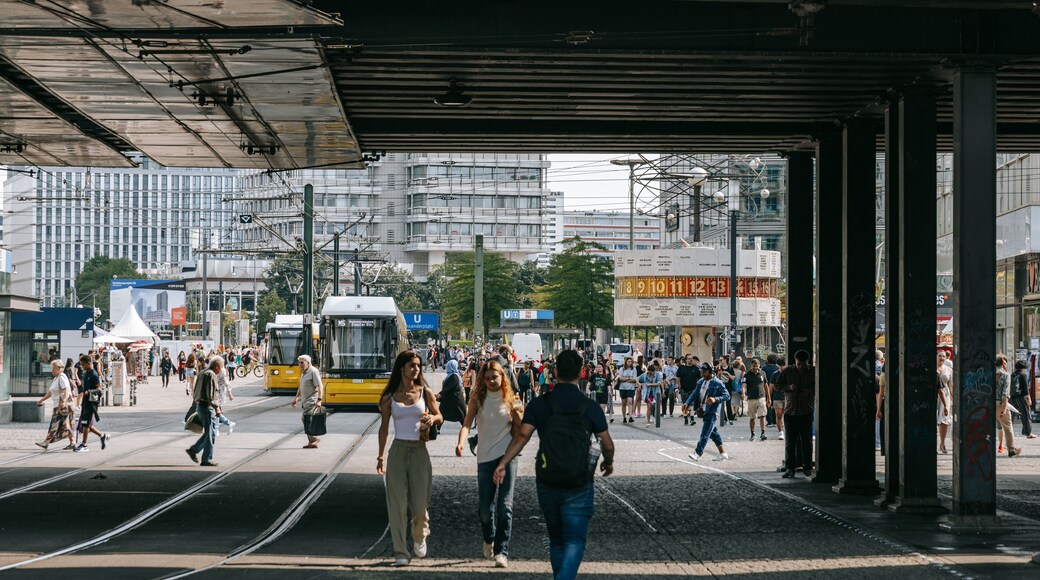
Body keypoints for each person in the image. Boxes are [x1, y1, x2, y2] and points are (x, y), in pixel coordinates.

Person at [493, 350, 614, 580]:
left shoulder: (540, 404)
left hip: (548, 480)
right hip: (579, 481)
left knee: (556, 538)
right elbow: (607, 444)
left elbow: (521, 437)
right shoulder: (589, 407)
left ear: (555, 372)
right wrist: (608, 463)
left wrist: (503, 463)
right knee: (575, 539)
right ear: (581, 372)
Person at [376, 351, 444, 567]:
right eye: (412, 365)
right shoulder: (390, 396)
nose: (416, 369)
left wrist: (434, 417)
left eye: (418, 365)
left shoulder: (426, 393)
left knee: (420, 505)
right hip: (397, 451)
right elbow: (384, 428)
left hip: (419, 452)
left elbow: (440, 415)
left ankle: (420, 533)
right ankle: (401, 553)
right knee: (396, 504)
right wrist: (380, 456)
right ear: (402, 368)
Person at [455, 359, 523, 568]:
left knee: (505, 506)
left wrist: (520, 415)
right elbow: (467, 423)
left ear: (503, 377)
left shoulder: (511, 399)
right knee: (485, 509)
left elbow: (521, 432)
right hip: (485, 457)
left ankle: (502, 551)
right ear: (482, 380)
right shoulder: (478, 398)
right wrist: (460, 442)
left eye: (495, 376)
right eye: (487, 378)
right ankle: (489, 538)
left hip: (507, 457)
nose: (492, 380)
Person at [774, 350, 816, 477]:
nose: (800, 367)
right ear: (795, 361)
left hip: (806, 411)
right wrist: (789, 388)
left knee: (807, 441)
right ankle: (790, 468)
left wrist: (810, 391)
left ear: (808, 362)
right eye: (798, 364)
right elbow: (777, 386)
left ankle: (807, 467)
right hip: (790, 411)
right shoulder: (788, 371)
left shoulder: (813, 371)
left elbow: (820, 386)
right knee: (790, 442)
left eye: (803, 364)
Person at [685, 363, 730, 461]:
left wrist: (715, 399)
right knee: (713, 432)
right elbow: (694, 394)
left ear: (710, 372)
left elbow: (727, 395)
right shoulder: (701, 381)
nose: (702, 374)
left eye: (704, 372)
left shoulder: (717, 383)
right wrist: (687, 403)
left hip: (712, 411)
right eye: (701, 372)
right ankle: (723, 453)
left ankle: (697, 453)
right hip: (703, 410)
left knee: (705, 433)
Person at [185, 357, 222, 467]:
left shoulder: (202, 372)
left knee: (209, 433)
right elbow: (210, 394)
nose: (221, 370)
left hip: (200, 405)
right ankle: (206, 459)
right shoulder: (210, 374)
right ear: (217, 366)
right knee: (211, 434)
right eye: (221, 367)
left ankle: (194, 450)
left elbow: (196, 389)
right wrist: (217, 407)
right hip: (207, 407)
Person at [35, 359, 78, 451]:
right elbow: (51, 392)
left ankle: (46, 442)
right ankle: (73, 442)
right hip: (57, 405)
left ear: (59, 368)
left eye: (53, 368)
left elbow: (66, 390)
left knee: (54, 424)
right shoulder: (56, 378)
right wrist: (41, 400)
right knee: (66, 425)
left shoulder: (62, 377)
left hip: (62, 406)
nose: (52, 370)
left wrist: (63, 401)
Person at [76, 355, 109, 453]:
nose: (82, 366)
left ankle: (84, 444)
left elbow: (99, 389)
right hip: (85, 401)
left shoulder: (94, 374)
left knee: (86, 423)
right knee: (86, 423)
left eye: (83, 364)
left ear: (89, 363)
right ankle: (102, 435)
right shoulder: (87, 373)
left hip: (91, 402)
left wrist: (89, 391)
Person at [291, 354, 323, 448]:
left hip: (311, 400)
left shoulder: (313, 371)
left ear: (308, 363)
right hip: (305, 401)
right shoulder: (304, 372)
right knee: (306, 420)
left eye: (302, 362)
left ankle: (313, 439)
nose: (299, 364)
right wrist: (296, 398)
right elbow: (301, 387)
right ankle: (312, 441)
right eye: (299, 362)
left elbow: (320, 386)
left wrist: (319, 400)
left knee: (306, 419)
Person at [995, 354, 1022, 457]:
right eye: (1005, 362)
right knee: (1007, 426)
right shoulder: (1005, 375)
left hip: (988, 404)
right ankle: (1011, 449)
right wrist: (1004, 408)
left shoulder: (990, 373)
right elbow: (1005, 394)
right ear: (1003, 363)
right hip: (1000, 404)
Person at [743, 358, 768, 441]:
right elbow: (744, 385)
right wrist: (743, 393)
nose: (755, 368)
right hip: (751, 398)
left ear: (759, 365)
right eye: (753, 366)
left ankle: (763, 433)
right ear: (751, 365)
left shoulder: (763, 373)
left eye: (756, 366)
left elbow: (766, 386)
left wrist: (769, 398)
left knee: (762, 415)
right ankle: (752, 433)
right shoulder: (747, 374)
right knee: (752, 417)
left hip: (761, 397)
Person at [437, 359, 467, 426]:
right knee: (442, 413)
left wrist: (441, 393)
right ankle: (437, 428)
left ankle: (465, 427)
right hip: (449, 399)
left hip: (455, 400)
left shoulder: (454, 376)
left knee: (460, 415)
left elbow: (449, 387)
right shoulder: (451, 376)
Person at [1011, 359, 1036, 439]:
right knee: (1026, 415)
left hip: (1013, 397)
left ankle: (1008, 431)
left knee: (1011, 415)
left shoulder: (1013, 374)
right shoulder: (1023, 375)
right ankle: (1028, 433)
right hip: (1021, 397)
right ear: (1024, 367)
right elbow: (1025, 388)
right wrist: (1029, 399)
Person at [676, 355, 700, 427]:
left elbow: (699, 378)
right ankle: (686, 418)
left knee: (692, 405)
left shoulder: (696, 368)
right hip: (684, 389)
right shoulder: (681, 368)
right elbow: (678, 378)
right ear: (686, 360)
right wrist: (680, 387)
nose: (691, 360)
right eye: (689, 359)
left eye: (691, 358)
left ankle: (692, 419)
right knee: (685, 404)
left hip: (693, 390)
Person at [936, 350, 953, 453]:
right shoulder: (933, 368)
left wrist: (952, 397)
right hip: (935, 394)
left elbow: (950, 385)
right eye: (940, 356)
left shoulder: (949, 369)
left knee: (944, 420)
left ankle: (942, 444)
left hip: (945, 395)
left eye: (943, 356)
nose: (942, 358)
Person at [766, 356, 786, 439]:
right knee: (778, 415)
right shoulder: (775, 375)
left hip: (787, 398)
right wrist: (769, 398)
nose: (781, 367)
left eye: (783, 365)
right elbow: (771, 387)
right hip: (777, 398)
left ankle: (785, 429)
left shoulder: (790, 373)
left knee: (787, 416)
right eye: (780, 365)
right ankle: (781, 432)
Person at [638, 361, 664, 427]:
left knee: (656, 407)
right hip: (648, 393)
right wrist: (639, 384)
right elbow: (637, 378)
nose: (650, 374)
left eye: (651, 372)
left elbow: (659, 383)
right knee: (649, 407)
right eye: (649, 372)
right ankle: (648, 421)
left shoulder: (657, 374)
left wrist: (650, 384)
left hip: (656, 393)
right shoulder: (645, 375)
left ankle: (656, 419)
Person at [616, 357, 638, 423]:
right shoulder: (622, 369)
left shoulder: (634, 369)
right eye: (628, 361)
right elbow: (620, 378)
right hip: (622, 388)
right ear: (626, 362)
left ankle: (630, 416)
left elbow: (634, 379)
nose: (629, 363)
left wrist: (625, 379)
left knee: (630, 401)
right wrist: (629, 378)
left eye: (630, 361)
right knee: (623, 402)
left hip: (631, 388)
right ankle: (624, 417)